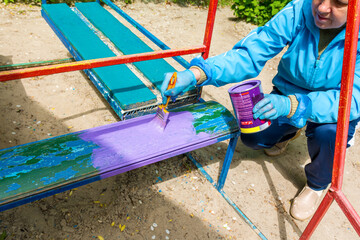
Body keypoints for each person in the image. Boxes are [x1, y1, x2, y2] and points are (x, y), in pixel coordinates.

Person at [161, 0, 360, 221]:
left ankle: (317, 184)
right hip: (289, 92)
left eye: (339, 3)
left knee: (329, 135)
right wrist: (199, 73)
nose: (322, 8)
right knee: (254, 135)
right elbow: (250, 54)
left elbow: (354, 98)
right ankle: (291, 131)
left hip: (335, 103)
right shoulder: (299, 10)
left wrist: (295, 105)